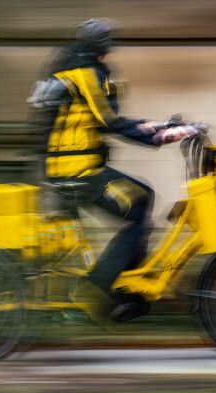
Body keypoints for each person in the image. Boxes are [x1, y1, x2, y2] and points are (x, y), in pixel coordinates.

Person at [28, 19, 198, 321]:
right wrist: (160, 136)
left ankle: (126, 287)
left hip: (71, 167)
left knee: (142, 198)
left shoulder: (74, 67)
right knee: (138, 203)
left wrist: (163, 126)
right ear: (100, 45)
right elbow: (108, 121)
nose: (109, 44)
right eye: (106, 40)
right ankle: (95, 290)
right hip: (76, 171)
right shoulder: (85, 74)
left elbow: (108, 119)